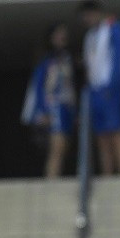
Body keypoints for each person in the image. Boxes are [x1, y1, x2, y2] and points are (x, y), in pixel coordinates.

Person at [79, 0, 120, 175]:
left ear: (98, 13)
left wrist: (114, 86)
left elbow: (118, 59)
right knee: (102, 137)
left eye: (90, 14)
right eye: (85, 17)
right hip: (95, 90)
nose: (88, 19)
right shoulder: (88, 37)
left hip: (110, 88)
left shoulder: (113, 27)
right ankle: (107, 175)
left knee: (116, 133)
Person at [21, 23, 76, 177]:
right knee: (56, 148)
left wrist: (73, 112)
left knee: (64, 147)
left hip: (66, 109)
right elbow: (38, 87)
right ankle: (51, 183)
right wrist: (42, 111)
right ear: (51, 38)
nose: (62, 37)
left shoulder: (67, 59)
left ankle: (56, 177)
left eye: (63, 34)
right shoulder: (46, 61)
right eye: (58, 34)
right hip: (52, 107)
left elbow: (70, 88)